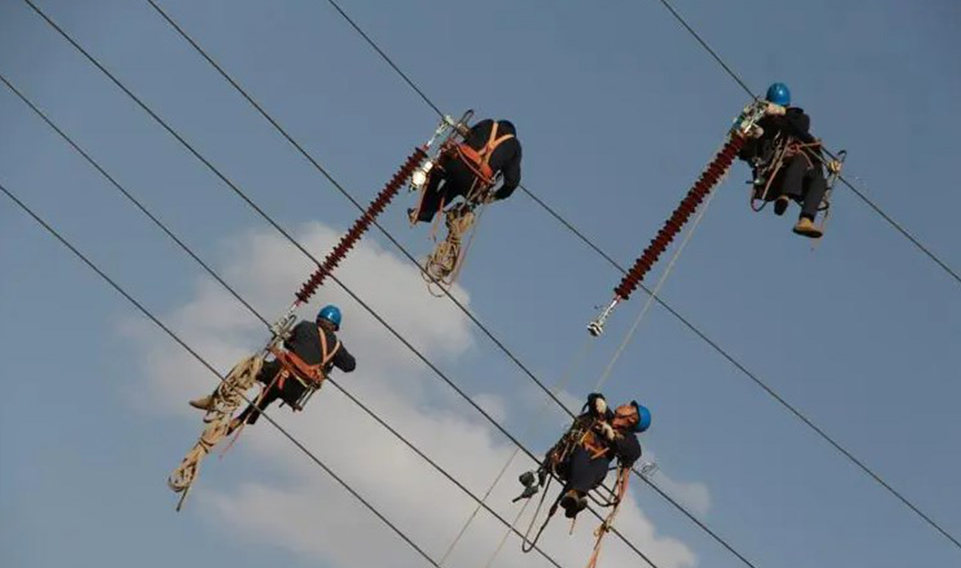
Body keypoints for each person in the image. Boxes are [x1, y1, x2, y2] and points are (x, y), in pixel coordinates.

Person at [188, 305, 356, 426]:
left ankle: (213, 399)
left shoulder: (305, 326)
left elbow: (289, 344)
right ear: (335, 327)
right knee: (268, 396)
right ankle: (237, 422)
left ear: (318, 318)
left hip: (279, 372)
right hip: (296, 390)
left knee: (249, 367)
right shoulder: (337, 347)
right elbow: (350, 366)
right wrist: (333, 358)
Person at [739, 82, 831, 239]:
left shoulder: (799, 119)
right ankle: (785, 196)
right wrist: (750, 137)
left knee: (820, 181)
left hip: (797, 178)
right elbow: (745, 154)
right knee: (800, 158)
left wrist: (829, 165)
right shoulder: (762, 123)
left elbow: (800, 131)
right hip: (773, 172)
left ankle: (805, 220)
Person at [552, 393, 649, 518]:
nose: (625, 405)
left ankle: (574, 497)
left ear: (631, 419)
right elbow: (593, 399)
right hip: (569, 459)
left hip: (593, 471)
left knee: (602, 464)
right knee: (583, 452)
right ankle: (576, 494)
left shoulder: (628, 438)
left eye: (630, 408)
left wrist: (613, 438)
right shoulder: (604, 415)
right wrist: (597, 399)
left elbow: (634, 452)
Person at [410, 118, 522, 224]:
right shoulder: (515, 147)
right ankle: (425, 213)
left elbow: (468, 136)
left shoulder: (488, 123)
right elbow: (512, 182)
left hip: (456, 162)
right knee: (454, 189)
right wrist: (495, 196)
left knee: (437, 173)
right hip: (475, 180)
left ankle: (422, 211)